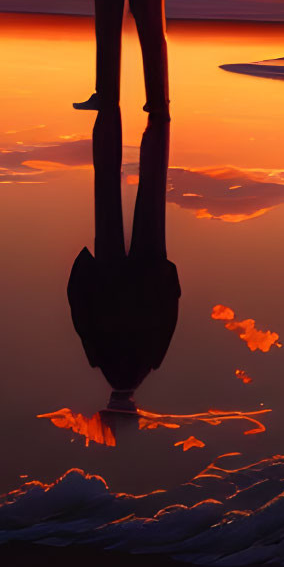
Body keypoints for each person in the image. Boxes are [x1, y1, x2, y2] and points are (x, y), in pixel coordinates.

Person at [66, 107, 178, 418]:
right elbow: (81, 312)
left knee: (151, 190)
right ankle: (108, 110)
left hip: (147, 268)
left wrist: (167, 273)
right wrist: (85, 268)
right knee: (106, 185)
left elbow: (169, 312)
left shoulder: (152, 361)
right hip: (109, 272)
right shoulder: (99, 360)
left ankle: (159, 116)